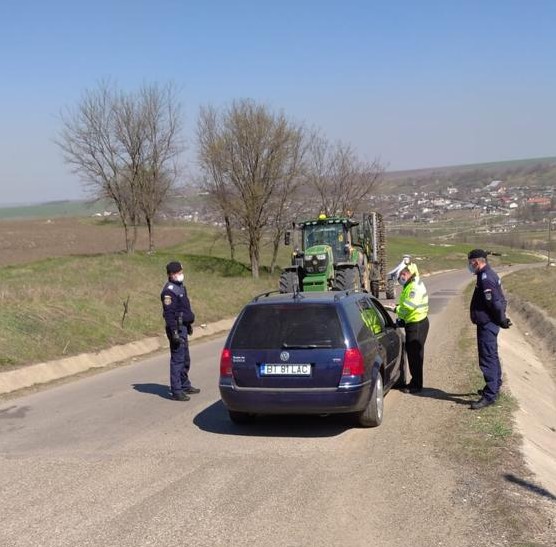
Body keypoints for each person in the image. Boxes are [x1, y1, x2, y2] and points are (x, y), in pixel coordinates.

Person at [467, 249, 512, 410]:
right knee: (491, 355)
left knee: (487, 358)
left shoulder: (486, 278)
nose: (469, 266)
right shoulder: (486, 274)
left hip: (487, 324)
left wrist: (502, 320)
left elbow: (495, 303)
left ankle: (490, 395)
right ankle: (495, 386)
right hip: (489, 322)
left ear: (476, 262)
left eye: (470, 263)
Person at [161, 261, 200, 401]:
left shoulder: (180, 287)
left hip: (183, 326)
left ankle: (184, 385)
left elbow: (184, 308)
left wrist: (188, 325)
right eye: (178, 273)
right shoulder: (168, 292)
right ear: (171, 274)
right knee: (177, 360)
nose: (181, 274)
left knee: (185, 359)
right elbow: (169, 314)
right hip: (176, 328)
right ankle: (176, 391)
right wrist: (174, 333)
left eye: (181, 272)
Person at [388, 266, 429, 393]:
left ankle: (416, 385)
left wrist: (396, 309)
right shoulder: (411, 283)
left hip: (416, 324)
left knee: (415, 356)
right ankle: (416, 382)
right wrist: (398, 306)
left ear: (406, 274)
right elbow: (407, 304)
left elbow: (409, 306)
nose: (400, 279)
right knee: (415, 354)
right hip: (415, 322)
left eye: (400, 276)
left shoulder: (414, 286)